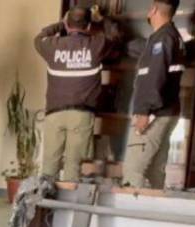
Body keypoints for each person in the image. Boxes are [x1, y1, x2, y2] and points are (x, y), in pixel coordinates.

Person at [34, 6, 117, 182]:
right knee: (74, 168)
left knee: (48, 168)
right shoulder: (96, 45)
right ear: (88, 26)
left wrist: (60, 24)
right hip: (82, 115)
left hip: (54, 114)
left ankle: (46, 199)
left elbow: (39, 38)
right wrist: (102, 19)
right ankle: (69, 199)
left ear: (67, 24)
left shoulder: (52, 46)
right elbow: (115, 36)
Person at [122, 0, 185, 189]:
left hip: (154, 114)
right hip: (166, 111)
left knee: (133, 172)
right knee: (154, 172)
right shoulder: (171, 36)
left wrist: (144, 112)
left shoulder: (163, 38)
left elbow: (156, 75)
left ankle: (131, 207)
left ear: (154, 9)